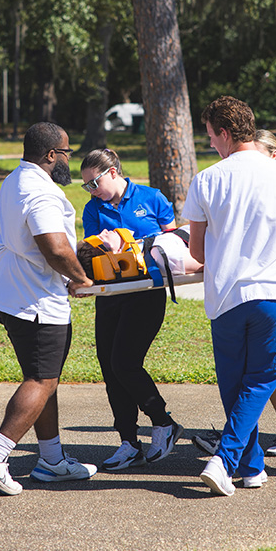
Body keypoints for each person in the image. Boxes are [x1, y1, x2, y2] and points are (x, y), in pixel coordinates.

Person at [183, 96, 276, 495]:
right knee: (264, 376)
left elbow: (197, 252)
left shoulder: (206, 178)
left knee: (236, 384)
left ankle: (244, 464)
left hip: (224, 295)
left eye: (210, 137)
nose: (210, 145)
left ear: (224, 133)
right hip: (271, 289)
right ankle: (235, 461)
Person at [0, 123, 97, 496]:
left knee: (43, 376)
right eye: (67, 152)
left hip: (8, 295)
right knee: (42, 380)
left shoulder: (14, 179)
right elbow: (54, 247)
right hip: (36, 299)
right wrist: (80, 278)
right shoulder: (42, 192)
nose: (69, 158)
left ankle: (52, 461)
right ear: (51, 155)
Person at [80, 148, 183, 472]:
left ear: (113, 173)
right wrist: (102, 247)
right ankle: (128, 442)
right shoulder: (92, 208)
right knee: (110, 370)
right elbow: (88, 252)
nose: (91, 190)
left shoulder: (152, 198)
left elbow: (174, 242)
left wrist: (128, 244)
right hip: (110, 295)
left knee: (124, 363)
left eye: (94, 182)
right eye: (86, 186)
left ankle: (163, 422)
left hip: (146, 294)